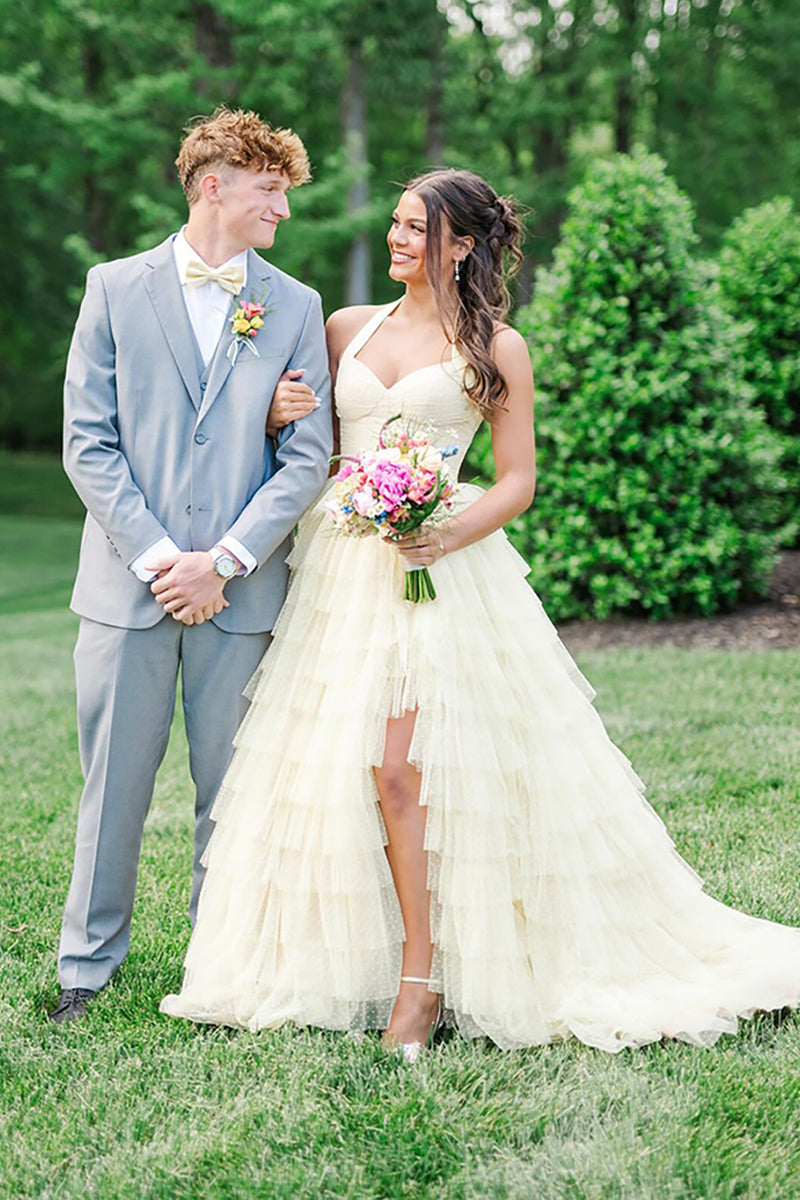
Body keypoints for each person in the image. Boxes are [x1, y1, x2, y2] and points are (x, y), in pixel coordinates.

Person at [161, 168, 800, 1057]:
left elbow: (517, 482)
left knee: (404, 769)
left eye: (417, 228)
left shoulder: (499, 348)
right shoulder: (346, 328)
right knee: (335, 773)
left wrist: (441, 530)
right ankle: (355, 963)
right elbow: (294, 439)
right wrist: (275, 410)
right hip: (340, 577)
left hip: (443, 573)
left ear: (462, 245)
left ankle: (423, 979)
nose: (397, 239)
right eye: (395, 223)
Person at [50, 107, 332, 1024]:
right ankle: (85, 969)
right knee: (113, 791)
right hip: (128, 587)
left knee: (233, 794)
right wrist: (169, 559)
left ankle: (218, 969)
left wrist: (229, 559)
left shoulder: (294, 306)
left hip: (242, 594)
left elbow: (308, 455)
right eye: (269, 192)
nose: (281, 212)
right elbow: (88, 445)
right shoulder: (112, 289)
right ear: (215, 184)